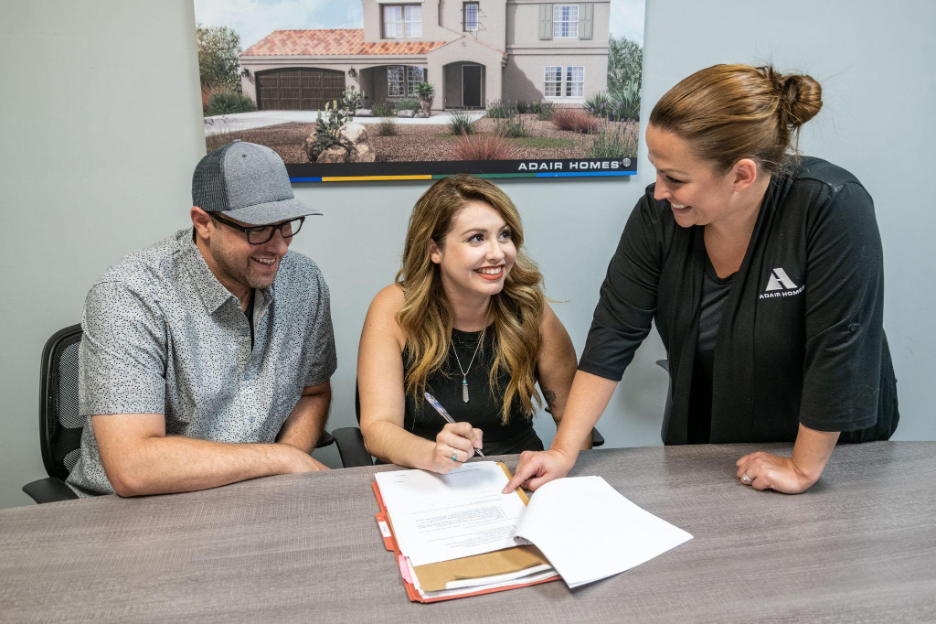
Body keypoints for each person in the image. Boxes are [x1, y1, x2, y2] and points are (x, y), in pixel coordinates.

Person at [506, 64, 898, 495]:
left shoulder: (831, 205)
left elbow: (839, 345)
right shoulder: (658, 216)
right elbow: (614, 333)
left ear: (742, 175)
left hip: (828, 450)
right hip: (717, 437)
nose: (658, 191)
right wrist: (564, 451)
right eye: (656, 170)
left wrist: (802, 468)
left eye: (675, 178)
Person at [66, 140, 337, 497]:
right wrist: (280, 460)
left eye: (286, 224)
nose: (281, 247)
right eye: (258, 230)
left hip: (259, 496)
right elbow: (132, 466)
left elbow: (313, 393)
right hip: (136, 511)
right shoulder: (129, 295)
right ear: (203, 222)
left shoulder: (304, 281)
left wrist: (288, 463)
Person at [358, 175, 586, 473]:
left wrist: (572, 480)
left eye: (504, 235)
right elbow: (377, 427)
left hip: (517, 476)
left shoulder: (530, 310)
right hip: (421, 478)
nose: (497, 253)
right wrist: (431, 454)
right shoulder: (394, 309)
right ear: (434, 250)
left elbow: (572, 415)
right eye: (476, 238)